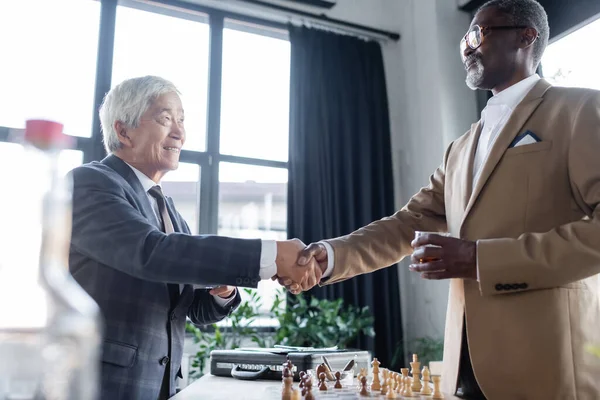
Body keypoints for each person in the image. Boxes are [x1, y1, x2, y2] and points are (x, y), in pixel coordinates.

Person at [293, 0, 600, 398]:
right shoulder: (460, 148)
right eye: (463, 40)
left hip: (549, 362)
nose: (468, 48)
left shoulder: (580, 110)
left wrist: (479, 259)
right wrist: (330, 255)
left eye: (478, 34)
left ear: (527, 36)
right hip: (465, 366)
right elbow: (407, 223)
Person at [68, 75, 318, 400]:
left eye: (182, 120)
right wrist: (271, 256)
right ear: (123, 131)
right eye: (166, 118)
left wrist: (223, 290)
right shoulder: (89, 182)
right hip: (103, 386)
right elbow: (150, 253)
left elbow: (190, 310)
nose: (180, 132)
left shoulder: (169, 211)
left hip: (163, 386)